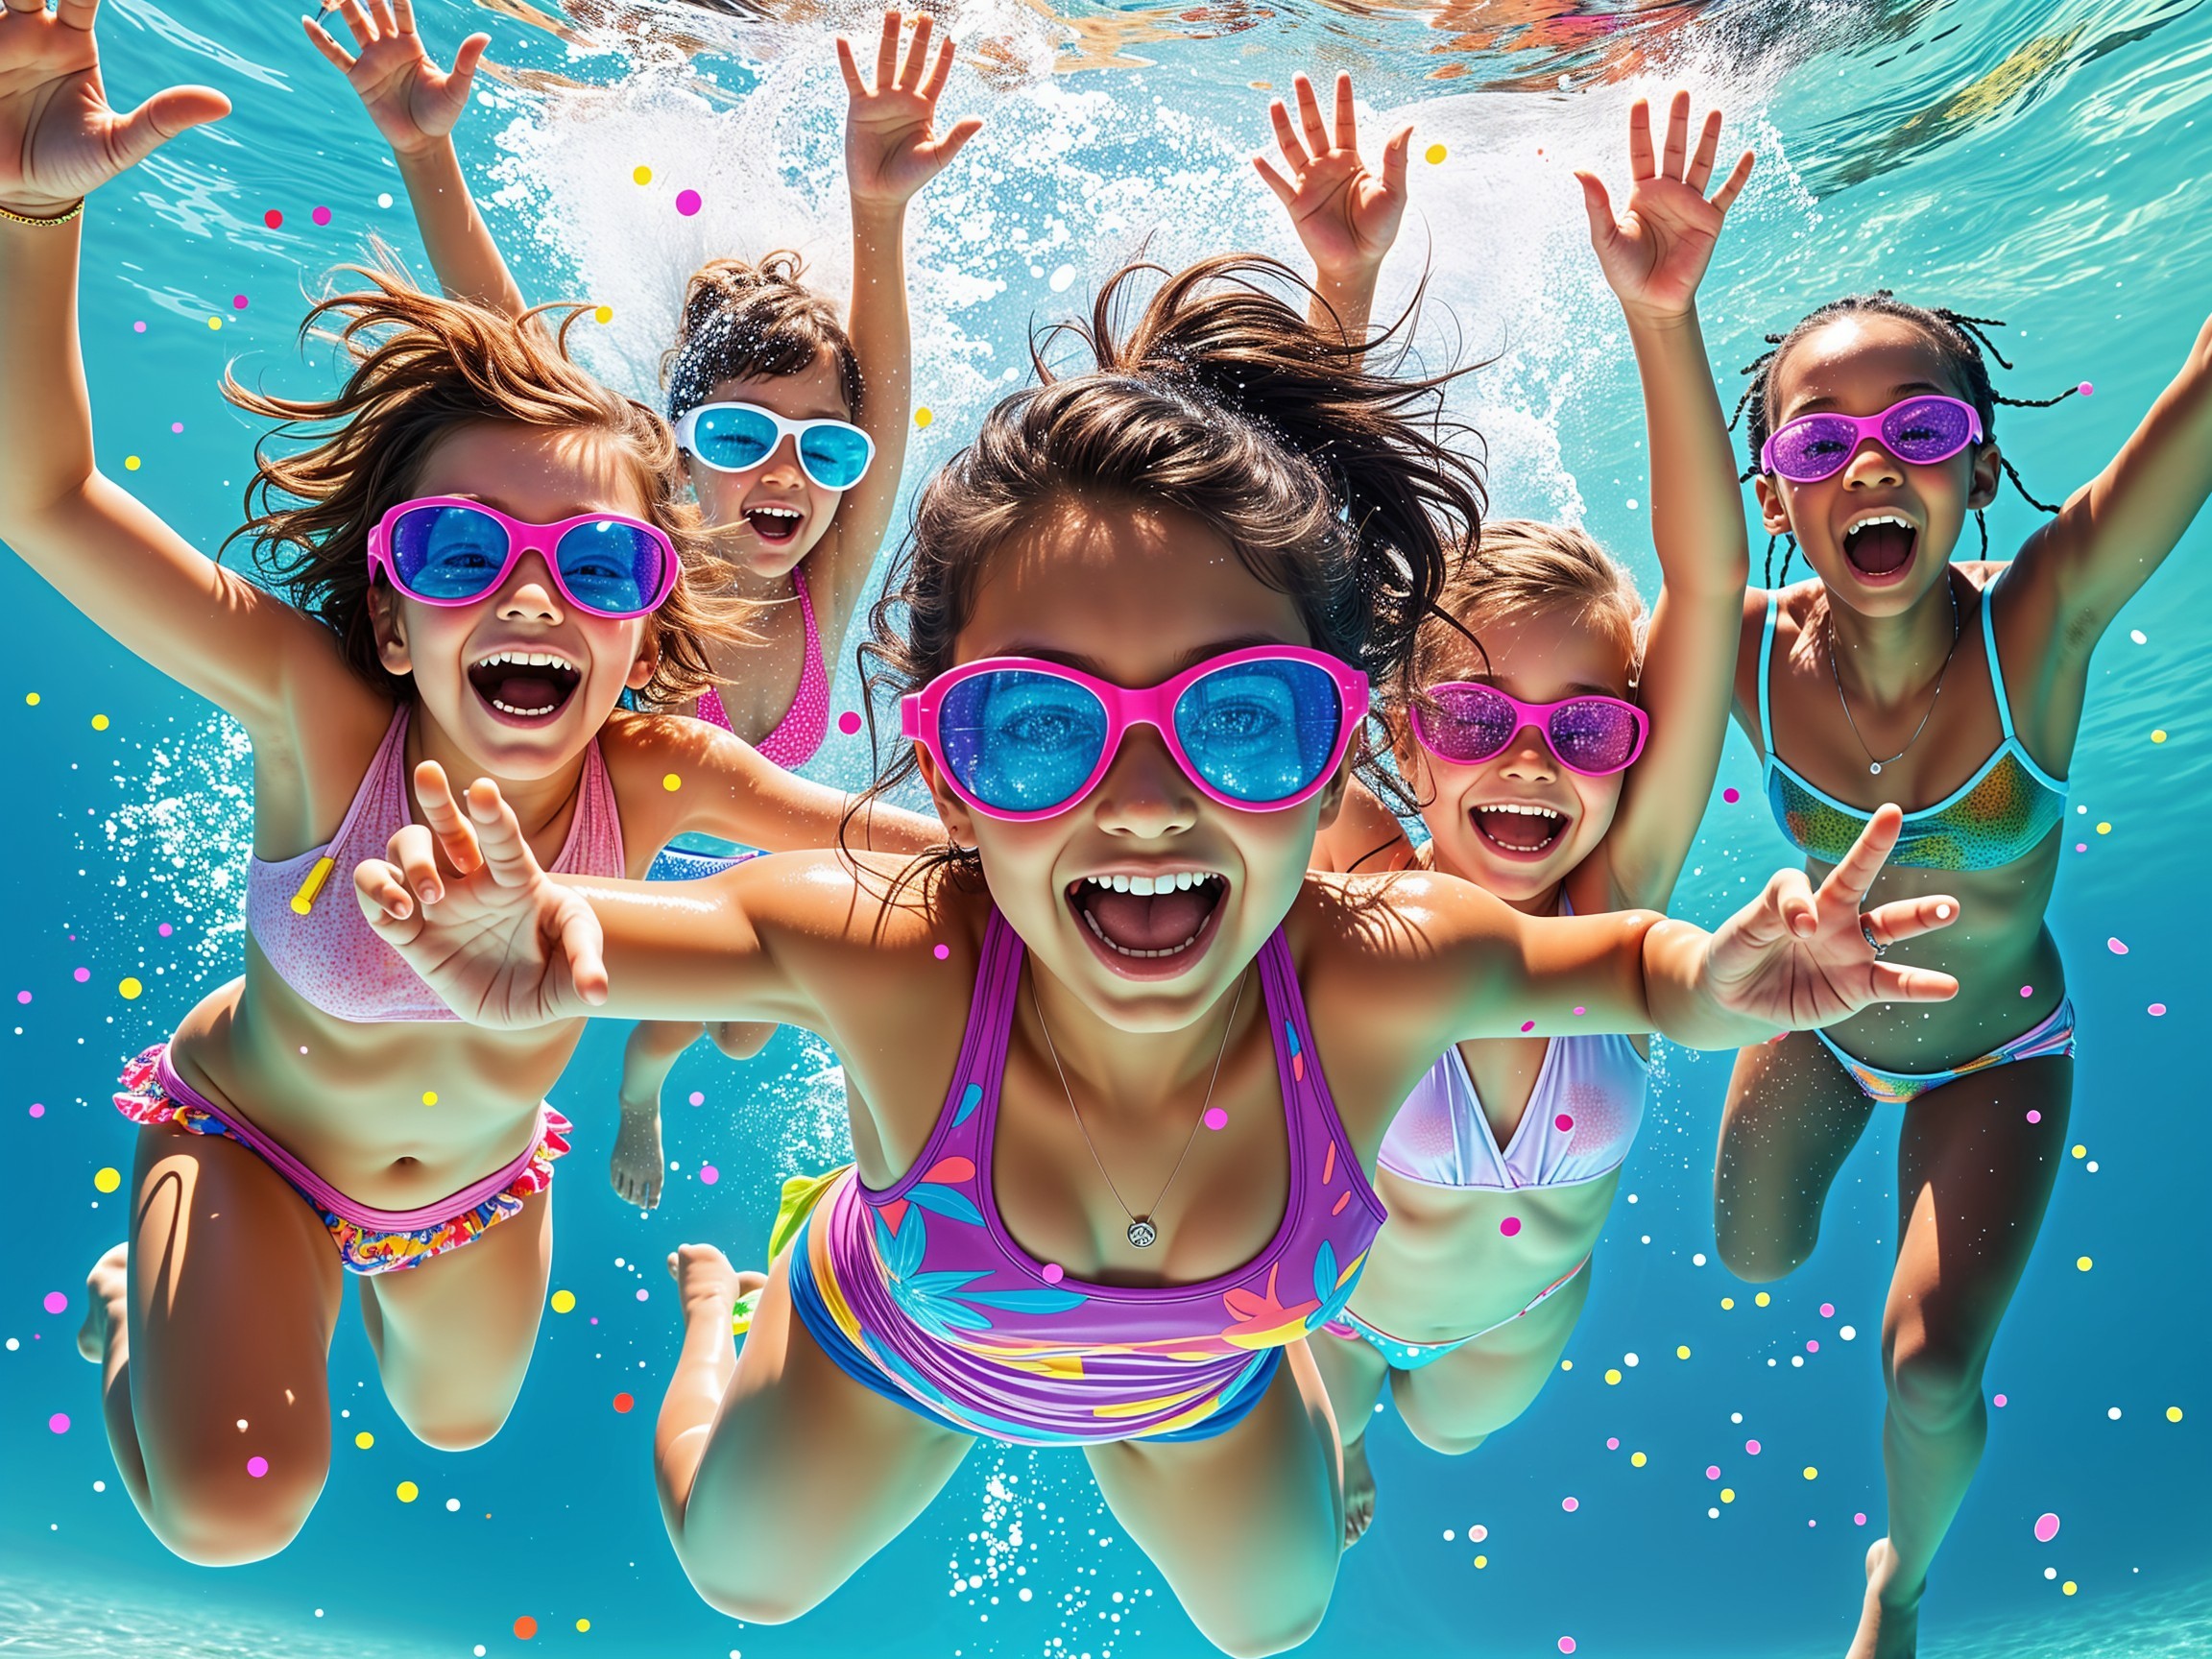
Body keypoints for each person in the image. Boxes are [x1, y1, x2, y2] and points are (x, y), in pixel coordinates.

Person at [353, 252, 1958, 1654]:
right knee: (740, 1573)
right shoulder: (903, 950)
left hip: (1192, 1383)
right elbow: (675, 933)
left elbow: (1612, 971)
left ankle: (1206, 1396)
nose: (1138, 801)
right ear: (942, 757)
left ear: (1337, 763)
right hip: (893, 1340)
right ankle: (735, 1292)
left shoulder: (1376, 956)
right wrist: (538, 934)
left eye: (1238, 718)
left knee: (1277, 1610)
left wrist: (1724, 974)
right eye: (1040, 726)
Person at [0, 0, 936, 1564]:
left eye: (593, 561)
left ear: (651, 607)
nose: (528, 599)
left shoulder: (658, 763)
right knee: (234, 1511)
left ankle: (209, 1313)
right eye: (456, 552)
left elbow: (908, 854)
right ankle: (135, 1315)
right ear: (385, 605)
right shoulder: (320, 712)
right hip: (259, 1142)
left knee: (459, 1419)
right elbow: (40, 499)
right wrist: (31, 210)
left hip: (484, 1180)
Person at [309, 0, 978, 1207]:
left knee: (739, 1026)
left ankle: (650, 1078)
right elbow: (512, 351)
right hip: (625, 877)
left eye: (820, 453)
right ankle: (631, 1092)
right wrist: (426, 153)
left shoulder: (823, 578)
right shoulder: (619, 577)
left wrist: (880, 213)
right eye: (736, 436)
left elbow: (876, 420)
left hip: (751, 861)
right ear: (671, 454)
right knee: (709, 1004)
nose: (787, 473)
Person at [1257, 75, 1754, 1542]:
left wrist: (1664, 318)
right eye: (1476, 720)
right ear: (1403, 744)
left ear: (1635, 745)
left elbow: (1709, 586)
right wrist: (1340, 292)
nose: (1530, 765)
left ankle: (1378, 1434)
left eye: (1583, 728)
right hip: (1334, 1304)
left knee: (1460, 1443)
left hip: (1521, 1319)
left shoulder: (1625, 894)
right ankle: (1334, 1421)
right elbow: (1298, 592)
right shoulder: (1353, 875)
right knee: (1295, 1522)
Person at [1719, 280, 2212, 1656]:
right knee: (1752, 1259)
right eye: (1819, 446)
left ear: (1982, 465)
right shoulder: (1747, 649)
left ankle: (1906, 1584)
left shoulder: (2040, 621)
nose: (1870, 466)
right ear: (1774, 499)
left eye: (1918, 429)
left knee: (1928, 1369)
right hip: (1824, 1031)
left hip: (1999, 1052)